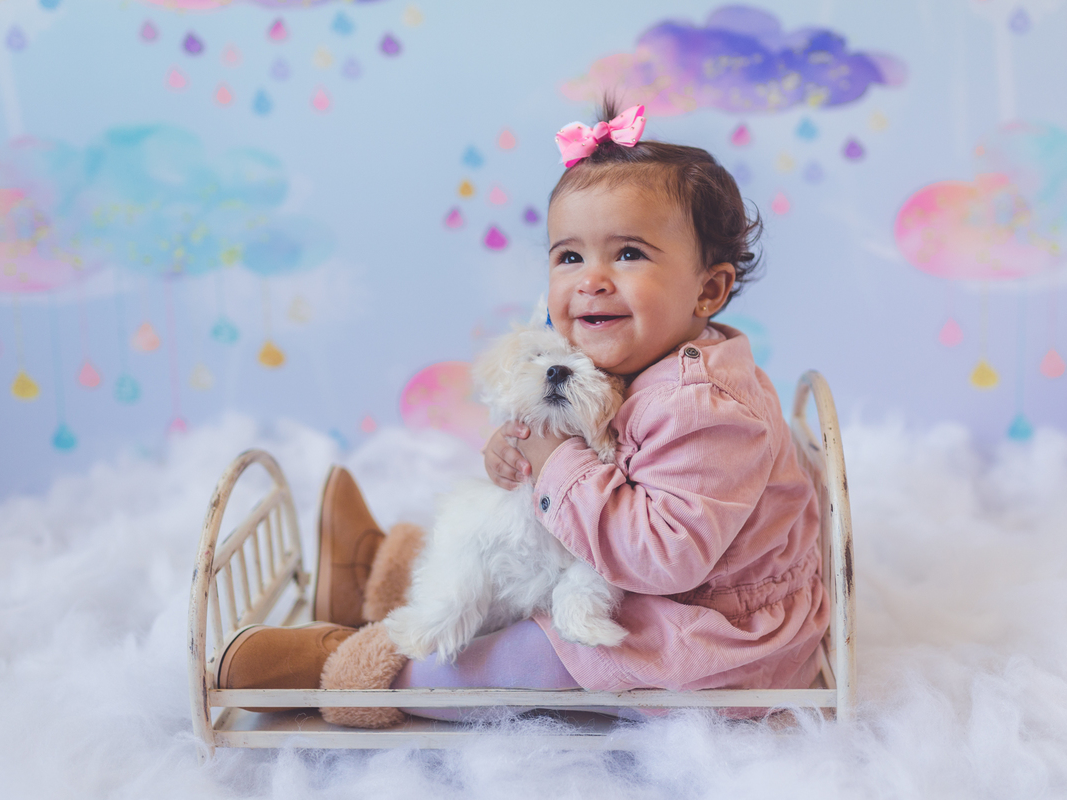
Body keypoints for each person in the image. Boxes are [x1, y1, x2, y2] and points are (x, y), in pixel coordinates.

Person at [215, 100, 829, 728]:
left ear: (708, 290)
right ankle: (377, 574)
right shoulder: (629, 348)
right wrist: (512, 453)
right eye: (569, 257)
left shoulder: (707, 412)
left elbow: (661, 557)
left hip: (707, 632)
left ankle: (358, 669)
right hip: (620, 580)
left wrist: (556, 463)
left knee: (534, 657)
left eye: (628, 255)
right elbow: (554, 437)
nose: (591, 280)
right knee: (494, 547)